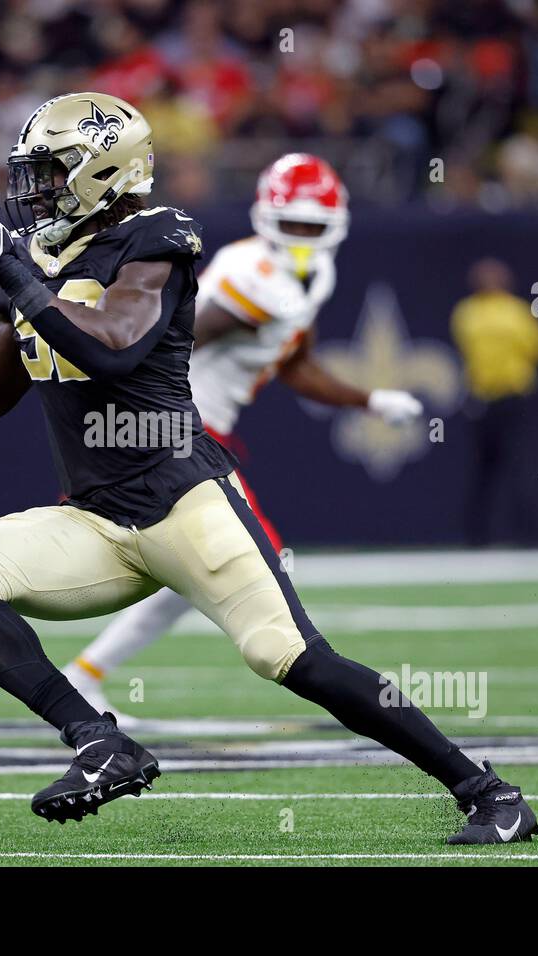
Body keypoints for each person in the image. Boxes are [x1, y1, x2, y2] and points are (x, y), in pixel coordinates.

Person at [0, 94, 538, 844]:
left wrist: (22, 282)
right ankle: (100, 743)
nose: (35, 190)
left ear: (105, 170)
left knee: (292, 658)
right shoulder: (37, 257)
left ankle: (489, 792)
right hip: (97, 517)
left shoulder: (158, 237)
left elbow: (113, 345)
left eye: (53, 169)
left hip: (183, 502)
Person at [62, 153, 422, 720]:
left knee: (199, 566)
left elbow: (295, 365)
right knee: (249, 557)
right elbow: (159, 344)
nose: (302, 237)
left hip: (198, 430)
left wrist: (369, 399)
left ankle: (84, 675)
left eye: (312, 225)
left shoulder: (313, 276)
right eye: (294, 223)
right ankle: (311, 669)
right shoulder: (249, 275)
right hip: (177, 430)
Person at [450, 257, 538, 545]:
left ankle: (524, 536)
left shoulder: (477, 312)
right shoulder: (505, 312)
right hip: (490, 398)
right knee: (491, 469)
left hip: (507, 399)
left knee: (515, 468)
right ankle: (483, 537)